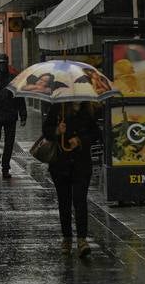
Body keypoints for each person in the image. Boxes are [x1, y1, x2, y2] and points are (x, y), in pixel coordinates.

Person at [42, 102, 101, 258]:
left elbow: (96, 133)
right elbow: (46, 130)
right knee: (64, 202)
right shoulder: (58, 108)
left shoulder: (88, 110)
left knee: (80, 201)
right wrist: (57, 131)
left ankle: (82, 239)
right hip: (60, 165)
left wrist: (80, 140)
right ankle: (67, 238)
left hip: (81, 165)